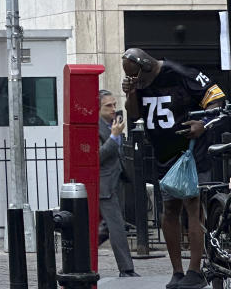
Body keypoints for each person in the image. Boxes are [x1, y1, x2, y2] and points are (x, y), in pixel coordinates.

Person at [122, 48, 226, 289]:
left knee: (192, 206)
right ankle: (177, 271)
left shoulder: (180, 73)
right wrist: (132, 92)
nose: (141, 82)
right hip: (164, 155)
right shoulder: (140, 82)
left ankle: (195, 270)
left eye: (141, 78)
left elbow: (216, 99)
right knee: (169, 209)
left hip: (190, 152)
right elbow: (134, 113)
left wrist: (204, 123)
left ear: (147, 66)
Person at [97, 90, 138, 278]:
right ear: (98, 109)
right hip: (104, 185)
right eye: (108, 106)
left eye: (114, 104)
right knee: (117, 228)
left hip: (116, 180)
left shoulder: (114, 123)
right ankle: (127, 269)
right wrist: (114, 137)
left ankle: (80, 254)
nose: (114, 109)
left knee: (107, 227)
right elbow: (98, 157)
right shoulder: (97, 128)